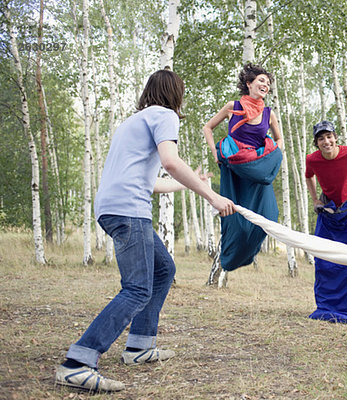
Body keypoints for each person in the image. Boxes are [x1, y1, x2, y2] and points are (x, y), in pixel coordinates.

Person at [55, 69, 235, 393]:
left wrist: (187, 182)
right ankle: (78, 362)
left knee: (164, 269)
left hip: (114, 206)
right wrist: (212, 196)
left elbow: (151, 181)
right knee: (137, 288)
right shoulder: (165, 116)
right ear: (174, 94)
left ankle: (139, 346)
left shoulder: (133, 122)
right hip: (128, 210)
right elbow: (170, 161)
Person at [203, 63, 283, 271]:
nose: (265, 84)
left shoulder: (268, 113)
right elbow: (208, 127)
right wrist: (215, 152)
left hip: (258, 173)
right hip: (235, 172)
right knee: (236, 222)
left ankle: (246, 256)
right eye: (261, 80)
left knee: (269, 218)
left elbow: (279, 139)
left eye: (267, 82)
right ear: (249, 84)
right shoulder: (233, 107)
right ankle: (229, 259)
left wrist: (271, 158)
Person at [305, 120, 347, 324]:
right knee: (325, 261)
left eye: (329, 137)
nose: (326, 141)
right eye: (320, 139)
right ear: (316, 143)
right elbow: (308, 176)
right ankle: (326, 308)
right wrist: (315, 199)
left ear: (335, 137)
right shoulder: (312, 159)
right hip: (329, 211)